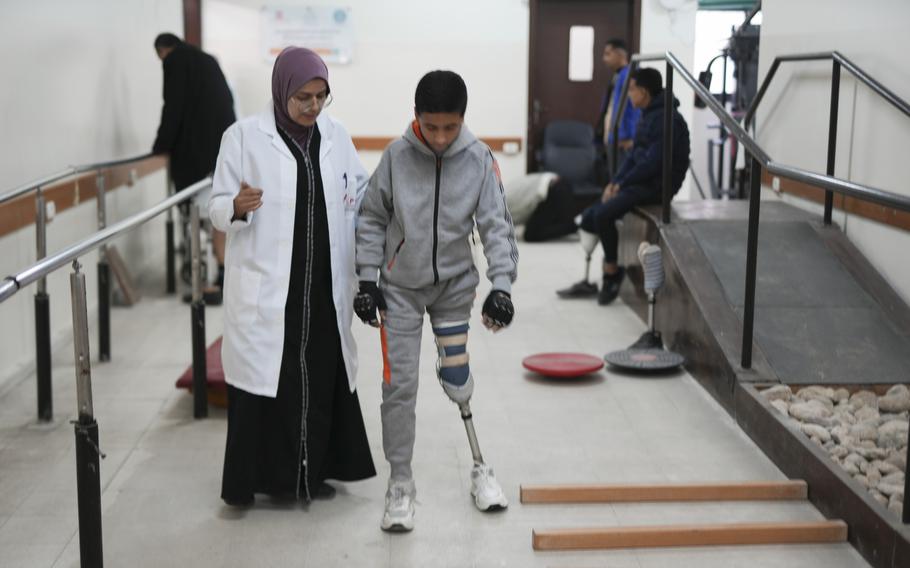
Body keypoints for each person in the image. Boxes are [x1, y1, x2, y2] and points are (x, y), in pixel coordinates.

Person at [209, 47, 375, 506]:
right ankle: (270, 480)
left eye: (322, 96)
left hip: (322, 284)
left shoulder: (336, 136)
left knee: (320, 379)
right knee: (273, 384)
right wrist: (235, 208)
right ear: (283, 90)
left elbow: (359, 193)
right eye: (303, 96)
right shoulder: (242, 137)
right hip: (269, 289)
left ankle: (313, 473)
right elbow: (216, 207)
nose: (313, 106)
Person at [354, 70, 518, 532]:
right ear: (416, 117)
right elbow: (370, 219)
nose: (441, 137)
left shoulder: (480, 159)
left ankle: (480, 467)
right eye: (432, 127)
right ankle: (400, 483)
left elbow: (497, 227)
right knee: (399, 385)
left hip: (453, 290)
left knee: (457, 376)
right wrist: (367, 280)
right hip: (399, 291)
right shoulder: (395, 156)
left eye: (451, 127)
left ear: (463, 120)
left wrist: (501, 286)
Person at [558, 67, 690, 305]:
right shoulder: (649, 114)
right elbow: (633, 157)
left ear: (643, 91)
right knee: (590, 217)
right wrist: (615, 182)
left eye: (631, 90)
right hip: (640, 181)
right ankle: (593, 277)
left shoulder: (668, 120)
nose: (628, 96)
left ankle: (612, 272)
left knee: (604, 215)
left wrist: (623, 184)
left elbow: (653, 163)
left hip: (658, 186)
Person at [152, 32, 235, 304]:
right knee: (221, 213)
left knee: (195, 216)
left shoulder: (175, 61)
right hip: (223, 151)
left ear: (164, 50)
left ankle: (203, 280)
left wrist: (160, 146)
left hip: (196, 156)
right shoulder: (207, 61)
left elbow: (172, 107)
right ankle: (223, 275)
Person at [594, 39, 641, 180]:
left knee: (622, 181)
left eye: (608, 54)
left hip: (622, 140)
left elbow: (634, 108)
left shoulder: (629, 75)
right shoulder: (618, 76)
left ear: (620, 54)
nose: (604, 59)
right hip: (613, 139)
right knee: (614, 179)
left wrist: (627, 136)